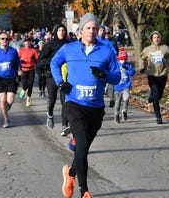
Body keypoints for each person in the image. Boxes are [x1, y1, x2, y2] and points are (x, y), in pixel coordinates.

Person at [50, 12, 121, 198]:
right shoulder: (69, 49)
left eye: (94, 28)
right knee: (81, 144)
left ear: (98, 31)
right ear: (81, 31)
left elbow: (117, 76)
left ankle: (70, 173)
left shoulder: (106, 51)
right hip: (74, 103)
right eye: (88, 28)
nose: (91, 31)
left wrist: (104, 75)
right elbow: (54, 63)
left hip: (95, 108)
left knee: (82, 148)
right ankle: (84, 191)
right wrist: (60, 82)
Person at [38, 23, 70, 131]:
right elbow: (40, 61)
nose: (61, 32)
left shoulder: (69, 45)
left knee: (64, 100)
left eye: (63, 30)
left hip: (65, 76)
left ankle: (65, 126)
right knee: (52, 100)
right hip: (51, 76)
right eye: (59, 30)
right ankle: (50, 114)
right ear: (55, 32)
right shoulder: (49, 45)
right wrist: (53, 62)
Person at [139, 31, 169, 124]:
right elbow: (141, 58)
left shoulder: (165, 48)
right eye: (154, 37)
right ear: (151, 39)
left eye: (158, 37)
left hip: (163, 74)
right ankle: (158, 116)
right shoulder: (147, 49)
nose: (156, 39)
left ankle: (151, 96)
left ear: (160, 38)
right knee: (156, 96)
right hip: (152, 75)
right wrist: (142, 67)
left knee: (159, 95)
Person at [113, 47, 136, 123]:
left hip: (126, 85)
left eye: (124, 59)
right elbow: (112, 73)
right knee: (118, 101)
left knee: (126, 99)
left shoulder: (128, 65)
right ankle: (116, 115)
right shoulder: (116, 65)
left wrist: (127, 70)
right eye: (121, 59)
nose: (123, 61)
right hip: (118, 86)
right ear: (118, 58)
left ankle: (124, 111)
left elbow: (133, 72)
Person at [18, 38, 39, 106]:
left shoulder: (33, 50)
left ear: (30, 43)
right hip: (24, 69)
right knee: (24, 84)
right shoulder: (21, 50)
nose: (27, 44)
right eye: (26, 43)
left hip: (31, 69)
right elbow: (17, 59)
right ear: (24, 43)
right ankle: (23, 90)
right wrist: (20, 62)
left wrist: (35, 59)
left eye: (28, 43)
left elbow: (37, 59)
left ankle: (28, 100)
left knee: (30, 85)